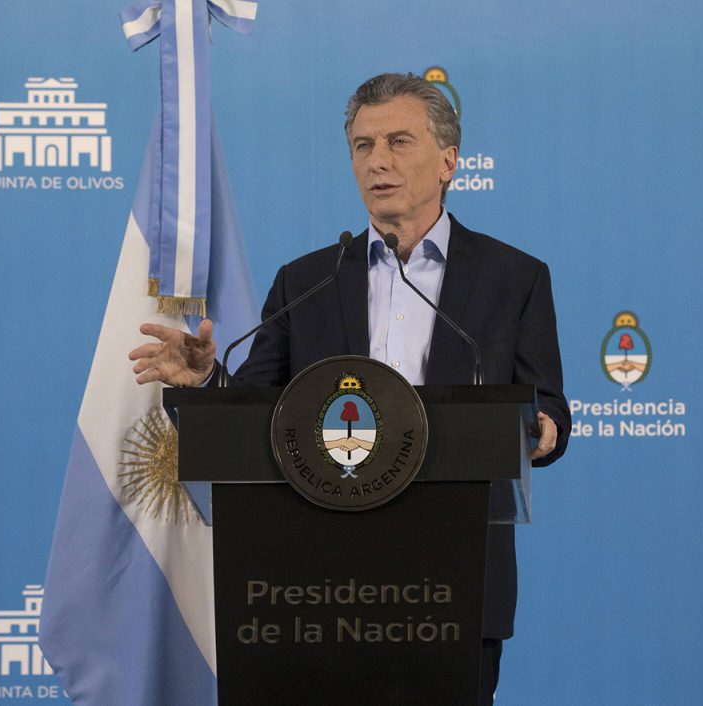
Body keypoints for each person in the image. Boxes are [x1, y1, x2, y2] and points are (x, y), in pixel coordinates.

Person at [129, 72, 570, 705]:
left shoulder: (514, 278)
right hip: (316, 590)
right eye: (363, 146)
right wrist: (206, 380)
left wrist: (540, 429)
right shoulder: (306, 281)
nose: (378, 161)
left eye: (398, 142)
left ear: (449, 161)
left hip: (456, 579)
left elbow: (545, 405)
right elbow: (254, 416)